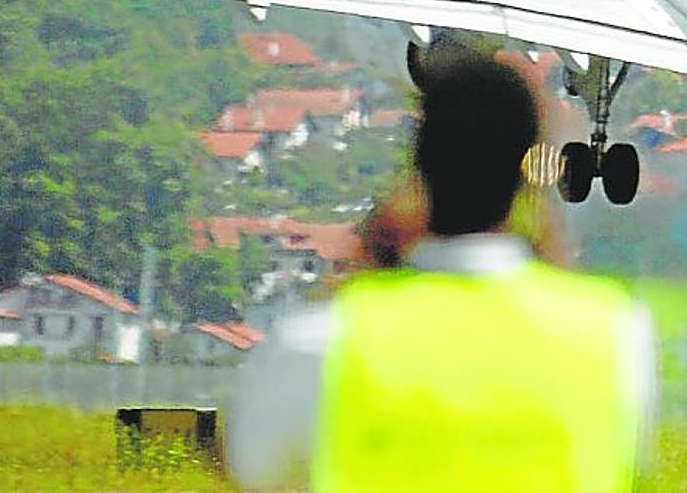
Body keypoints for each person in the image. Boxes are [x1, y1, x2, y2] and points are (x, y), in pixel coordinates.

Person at [228, 51, 654, 492]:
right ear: (527, 173)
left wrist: (368, 268)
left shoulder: (324, 342)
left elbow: (259, 472)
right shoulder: (614, 339)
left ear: (418, 163)